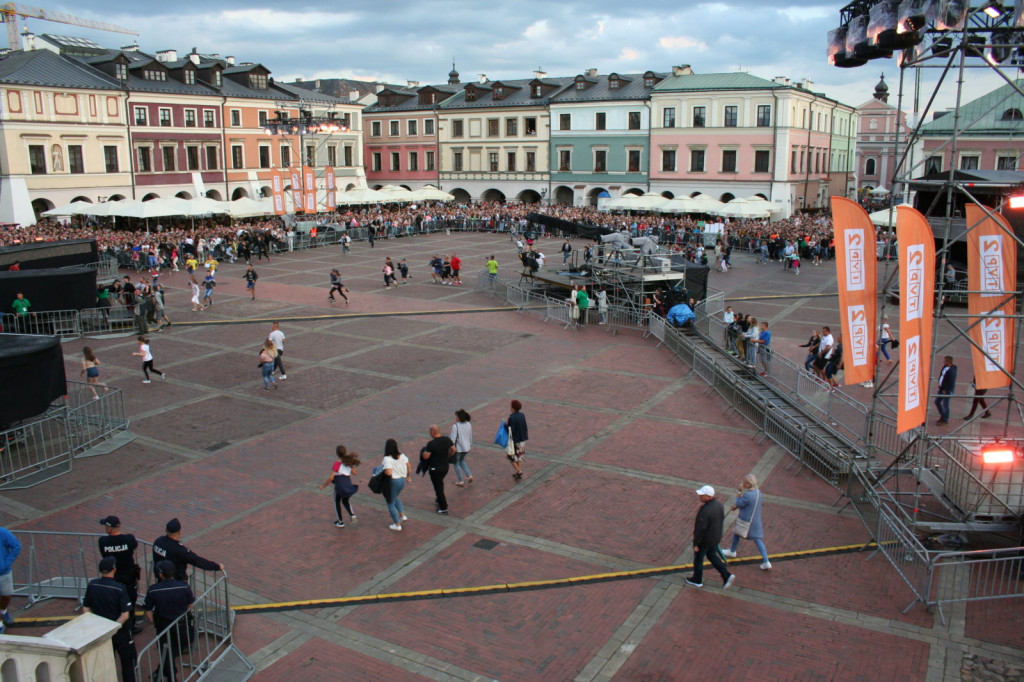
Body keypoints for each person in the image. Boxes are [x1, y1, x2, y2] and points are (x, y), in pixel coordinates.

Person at [83, 557, 138, 682]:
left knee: (105, 663)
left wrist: (96, 625)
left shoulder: (92, 585)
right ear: (114, 569)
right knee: (128, 663)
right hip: (120, 632)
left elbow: (86, 608)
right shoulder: (120, 588)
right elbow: (125, 615)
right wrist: (112, 628)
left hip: (100, 630)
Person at [144, 560, 193, 682]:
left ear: (160, 574)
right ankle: (164, 671)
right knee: (173, 650)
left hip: (163, 626)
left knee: (166, 652)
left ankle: (170, 676)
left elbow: (148, 611)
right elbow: (190, 604)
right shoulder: (184, 587)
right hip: (181, 624)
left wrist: (153, 623)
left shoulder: (153, 590)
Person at [98, 515, 142, 634]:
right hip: (129, 576)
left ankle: (116, 623)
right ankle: (131, 626)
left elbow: (104, 554)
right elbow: (134, 547)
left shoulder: (103, 541)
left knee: (114, 599)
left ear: (109, 528)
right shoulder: (129, 539)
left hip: (113, 576)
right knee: (130, 600)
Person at [686, 485, 734, 590]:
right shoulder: (719, 505)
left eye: (702, 495)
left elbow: (700, 529)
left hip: (705, 540)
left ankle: (697, 579)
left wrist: (696, 544)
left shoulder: (705, 511)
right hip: (715, 537)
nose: (700, 497)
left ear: (708, 497)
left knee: (698, 559)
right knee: (712, 556)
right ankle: (726, 574)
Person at [722, 475, 771, 570]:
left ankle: (732, 551)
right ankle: (766, 560)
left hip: (746, 521)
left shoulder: (748, 495)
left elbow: (739, 502)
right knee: (757, 540)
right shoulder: (758, 493)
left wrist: (739, 491)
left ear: (749, 484)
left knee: (737, 532)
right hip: (755, 521)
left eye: (745, 483)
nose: (743, 484)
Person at [152, 518, 222, 581]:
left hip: (161, 578)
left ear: (166, 530)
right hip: (176, 583)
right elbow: (197, 561)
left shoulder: (158, 541)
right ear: (179, 532)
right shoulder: (180, 550)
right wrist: (216, 566)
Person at [319, 445, 360, 527]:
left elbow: (331, 477)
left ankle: (340, 521)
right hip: (348, 484)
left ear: (337, 453)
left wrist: (323, 486)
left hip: (339, 484)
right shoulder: (349, 462)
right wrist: (352, 466)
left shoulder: (336, 464)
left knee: (337, 501)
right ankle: (352, 515)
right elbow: (355, 473)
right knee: (345, 500)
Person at [421, 424, 454, 514]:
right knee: (439, 484)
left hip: (435, 469)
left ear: (432, 432)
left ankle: (443, 507)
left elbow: (426, 457)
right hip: (445, 467)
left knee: (438, 488)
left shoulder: (431, 444)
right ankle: (439, 499)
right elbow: (454, 449)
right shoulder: (447, 439)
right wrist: (449, 455)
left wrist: (424, 453)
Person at [383, 439, 410, 531]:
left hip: (393, 481)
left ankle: (397, 524)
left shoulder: (387, 459)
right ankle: (402, 515)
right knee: (395, 497)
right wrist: (408, 475)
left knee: (390, 502)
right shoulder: (402, 455)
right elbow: (409, 465)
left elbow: (388, 472)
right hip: (402, 480)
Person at [0, 526, 20, 633]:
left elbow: (16, 546)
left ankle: (3, 611)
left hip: (3, 573)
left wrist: (6, 563)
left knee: (6, 596)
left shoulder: (2, 532)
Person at [449, 409, 473, 486]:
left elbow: (452, 439)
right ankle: (469, 475)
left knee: (456, 463)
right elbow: (470, 436)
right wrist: (470, 444)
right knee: (462, 461)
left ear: (459, 417)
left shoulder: (455, 426)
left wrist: (450, 447)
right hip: (467, 447)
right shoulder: (468, 424)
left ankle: (460, 480)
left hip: (458, 448)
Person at [507, 399, 528, 480]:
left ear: (513, 408)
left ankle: (519, 470)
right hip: (522, 438)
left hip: (515, 440)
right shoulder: (522, 415)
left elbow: (510, 430)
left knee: (510, 456)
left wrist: (505, 426)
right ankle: (518, 472)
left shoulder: (512, 418)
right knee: (519, 456)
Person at [935, 355, 957, 425]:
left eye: (944, 360)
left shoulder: (952, 371)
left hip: (946, 390)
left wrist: (946, 389)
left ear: (948, 362)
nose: (943, 361)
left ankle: (945, 419)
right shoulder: (945, 367)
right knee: (937, 401)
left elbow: (951, 382)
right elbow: (942, 375)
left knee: (945, 405)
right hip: (942, 388)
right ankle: (943, 415)